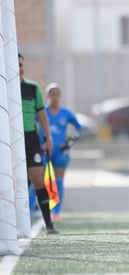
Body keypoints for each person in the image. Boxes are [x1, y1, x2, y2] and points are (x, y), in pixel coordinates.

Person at [19, 53, 59, 234]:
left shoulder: (32, 88)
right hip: (10, 141)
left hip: (30, 139)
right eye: (16, 64)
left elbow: (42, 115)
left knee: (38, 179)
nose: (19, 68)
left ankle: (48, 223)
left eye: (21, 64)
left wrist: (48, 137)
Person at [38, 83, 83, 221]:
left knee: (58, 181)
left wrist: (70, 142)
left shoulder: (66, 113)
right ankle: (31, 209)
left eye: (57, 94)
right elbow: (29, 123)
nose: (55, 97)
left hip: (60, 153)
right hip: (44, 151)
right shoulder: (41, 111)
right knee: (40, 180)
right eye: (52, 94)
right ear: (47, 96)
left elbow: (79, 128)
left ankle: (56, 212)